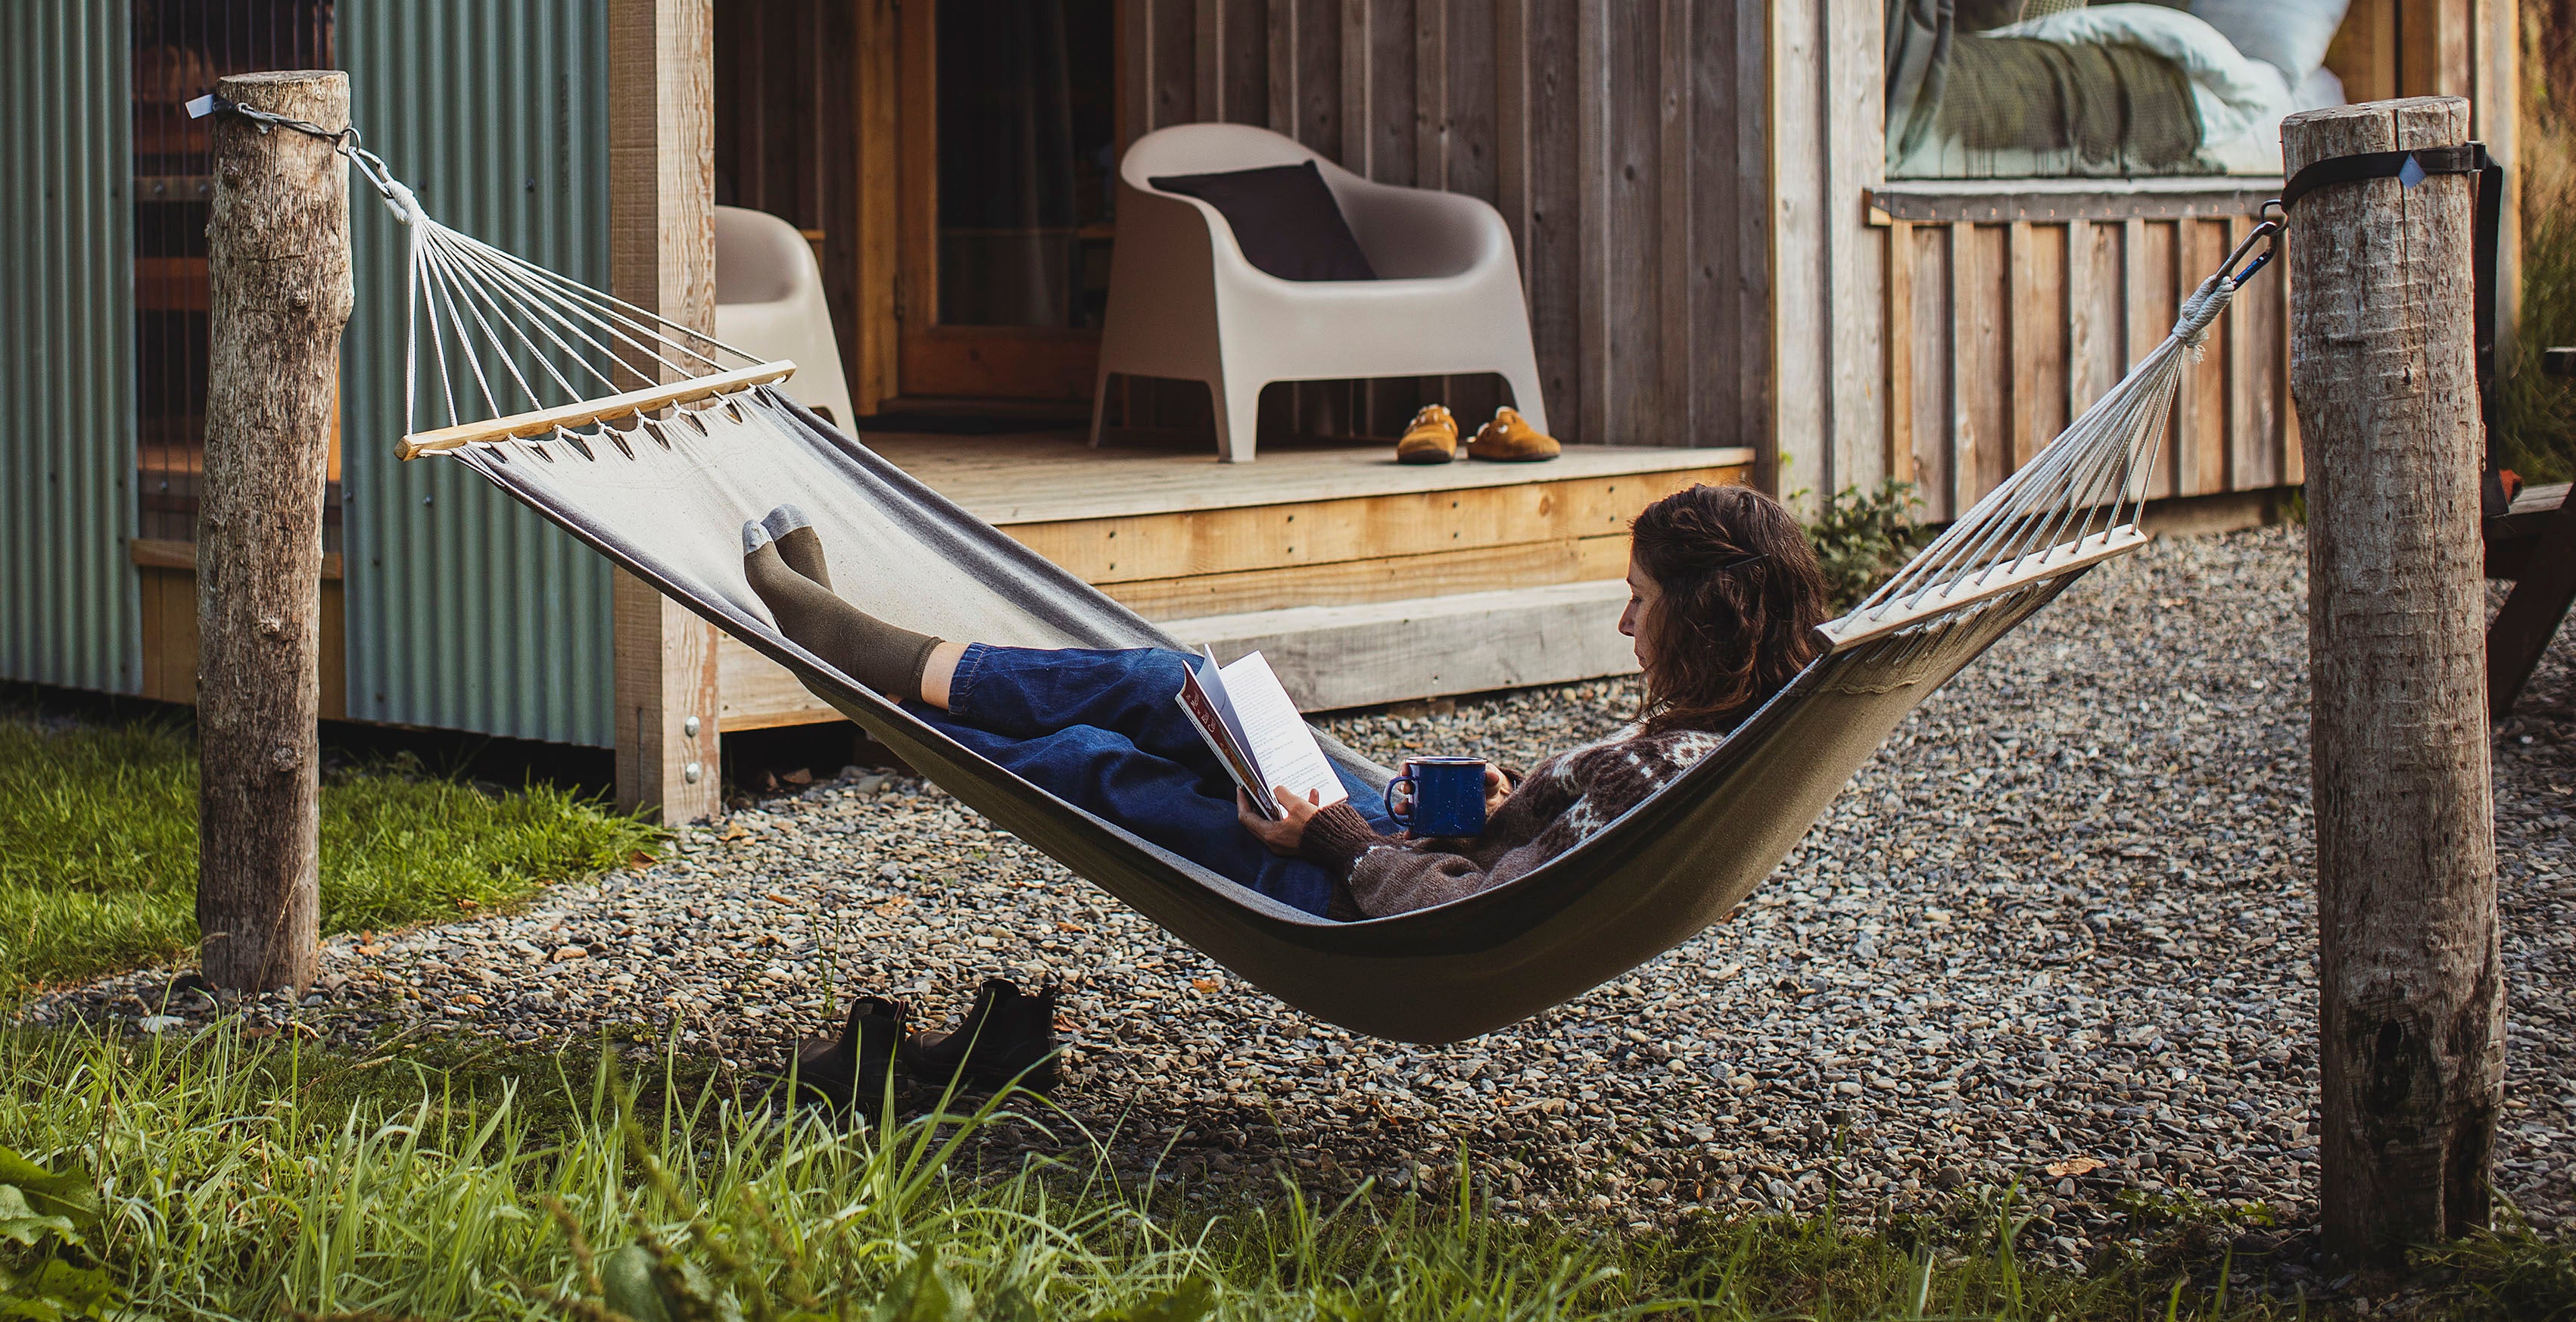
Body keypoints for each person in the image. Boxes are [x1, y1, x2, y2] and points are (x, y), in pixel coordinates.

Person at [735, 482, 1830, 921]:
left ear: (1706, 616)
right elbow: (1523, 861)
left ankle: (878, 671)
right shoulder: (1717, 737)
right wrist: (1492, 806)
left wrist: (1335, 833)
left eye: (1639, 604)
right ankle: (882, 659)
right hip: (1391, 847)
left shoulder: (1666, 768)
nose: (1625, 628)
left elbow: (1462, 917)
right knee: (1174, 689)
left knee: (1089, 765)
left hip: (1354, 902)